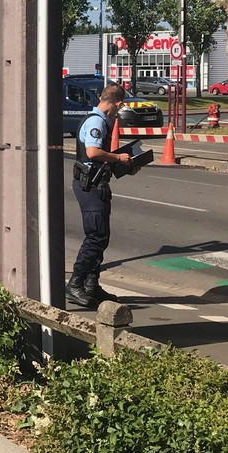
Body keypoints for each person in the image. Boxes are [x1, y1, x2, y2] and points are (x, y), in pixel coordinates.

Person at [66, 83, 137, 308]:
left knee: (101, 236)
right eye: (119, 108)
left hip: (96, 183)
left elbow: (96, 157)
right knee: (96, 236)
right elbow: (92, 152)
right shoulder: (97, 121)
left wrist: (125, 163)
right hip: (90, 186)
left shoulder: (98, 119)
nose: (118, 112)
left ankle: (91, 285)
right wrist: (118, 159)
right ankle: (75, 284)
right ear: (117, 104)